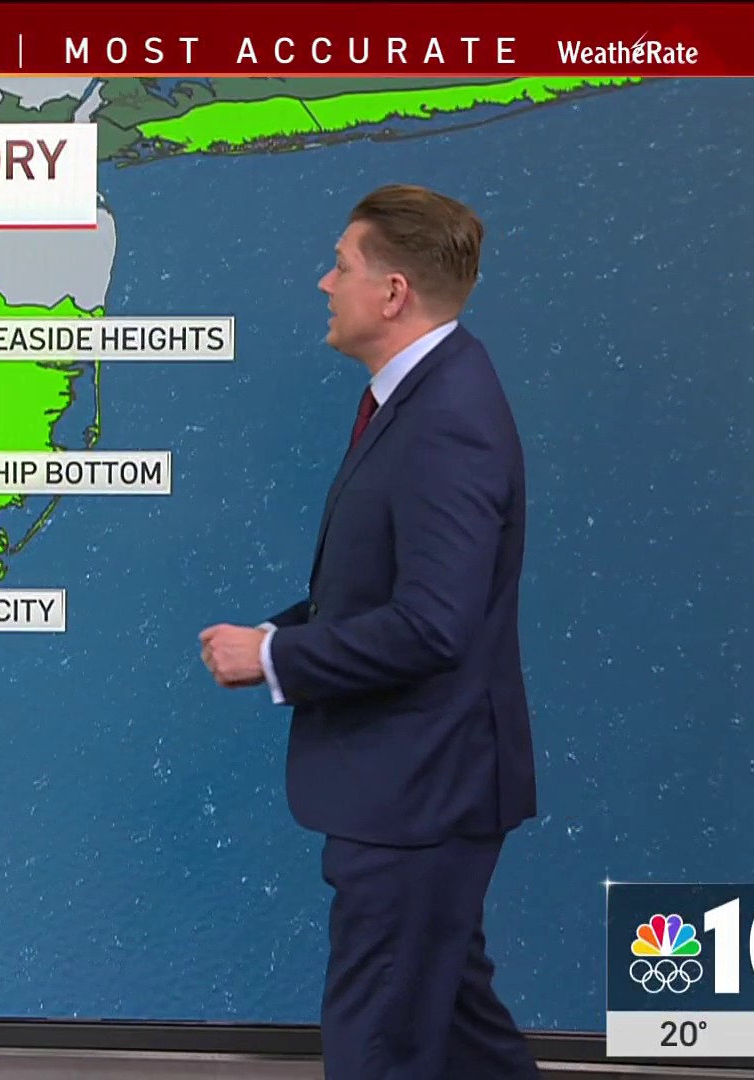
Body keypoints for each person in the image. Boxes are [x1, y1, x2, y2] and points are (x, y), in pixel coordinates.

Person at [198, 184, 540, 1080]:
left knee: (379, 1046)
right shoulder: (424, 397)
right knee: (458, 1033)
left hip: (419, 792)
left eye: (341, 265)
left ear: (392, 293)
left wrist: (277, 656)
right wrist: (275, 634)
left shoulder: (446, 419)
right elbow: (390, 592)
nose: (325, 282)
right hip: (417, 789)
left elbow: (432, 626)